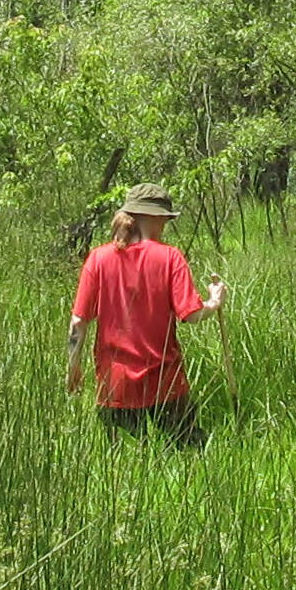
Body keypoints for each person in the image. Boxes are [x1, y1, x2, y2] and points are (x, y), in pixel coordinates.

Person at [68, 182, 224, 445]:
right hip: (164, 380)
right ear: (149, 217)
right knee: (188, 449)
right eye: (163, 218)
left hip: (114, 383)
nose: (164, 225)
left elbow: (78, 321)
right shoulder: (170, 258)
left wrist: (73, 366)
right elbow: (192, 314)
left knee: (121, 464)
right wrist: (215, 300)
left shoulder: (98, 258)